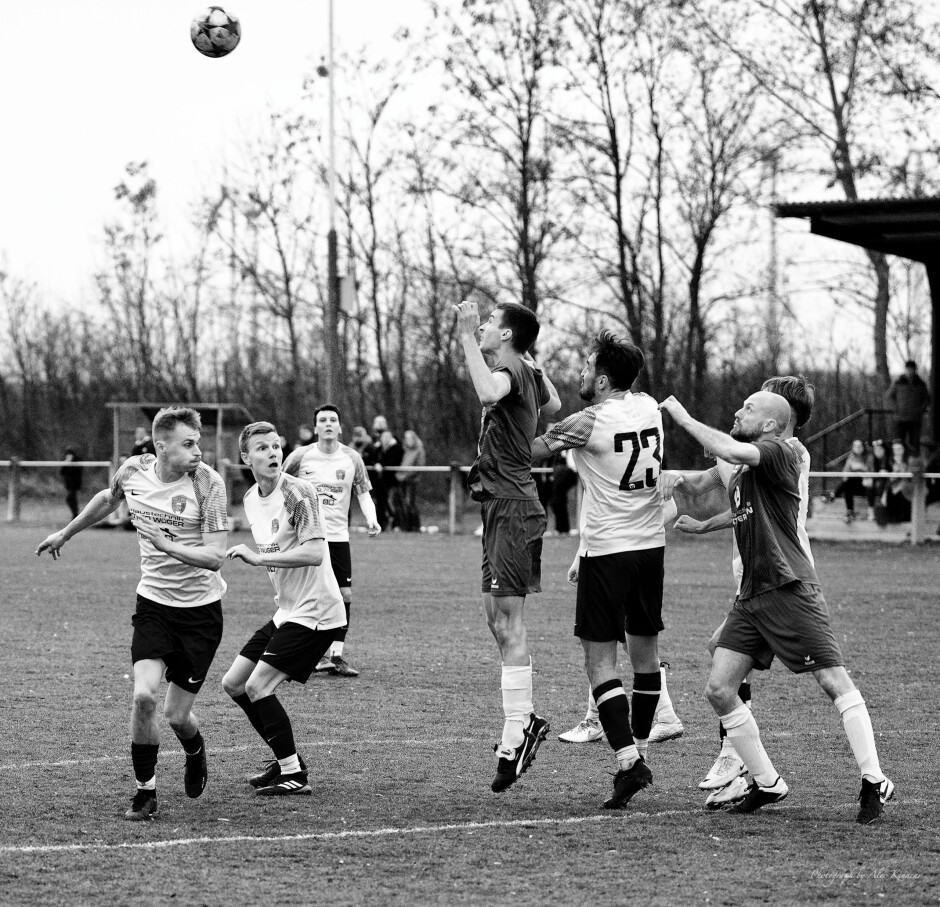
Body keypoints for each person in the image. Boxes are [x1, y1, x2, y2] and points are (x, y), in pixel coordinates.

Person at [659, 390, 894, 824]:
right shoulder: (753, 466)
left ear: (770, 424)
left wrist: (681, 416)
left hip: (789, 587)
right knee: (719, 688)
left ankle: (873, 777)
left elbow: (728, 450)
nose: (737, 410)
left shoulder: (781, 451)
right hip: (752, 594)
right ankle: (767, 782)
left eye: (748, 408)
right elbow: (740, 507)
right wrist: (700, 520)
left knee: (831, 679)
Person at [37, 406, 229, 821]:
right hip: (153, 606)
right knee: (144, 697)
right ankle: (145, 792)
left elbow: (215, 558)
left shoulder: (209, 484)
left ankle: (195, 751)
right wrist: (65, 532)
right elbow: (109, 499)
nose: (199, 452)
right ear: (161, 446)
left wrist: (167, 545)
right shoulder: (133, 470)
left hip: (200, 614)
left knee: (176, 716)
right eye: (189, 444)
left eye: (199, 443)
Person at [661, 375, 816, 809]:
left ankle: (738, 760)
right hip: (750, 571)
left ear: (778, 420)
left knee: (729, 659)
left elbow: (744, 488)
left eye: (758, 406)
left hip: (781, 574)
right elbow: (724, 493)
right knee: (725, 661)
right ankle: (743, 764)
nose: (747, 411)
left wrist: (691, 426)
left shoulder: (791, 453)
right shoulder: (753, 458)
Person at [532, 330, 670, 809]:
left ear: (605, 379)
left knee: (599, 663)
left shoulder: (590, 420)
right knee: (646, 657)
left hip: (608, 551)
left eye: (588, 368)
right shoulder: (649, 406)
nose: (583, 375)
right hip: (651, 547)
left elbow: (532, 451)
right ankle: (640, 750)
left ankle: (630, 763)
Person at [453, 298, 561, 793]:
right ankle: (522, 723)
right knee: (495, 620)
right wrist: (534, 372)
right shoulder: (526, 367)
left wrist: (465, 334)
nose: (483, 329)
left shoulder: (510, 367)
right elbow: (554, 405)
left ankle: (517, 731)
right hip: (499, 505)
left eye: (491, 324)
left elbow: (486, 391)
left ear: (507, 335)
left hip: (514, 506)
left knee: (508, 622)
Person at [221, 422, 346, 795]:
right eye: (262, 448)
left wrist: (259, 560)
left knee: (259, 686)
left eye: (276, 446)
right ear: (246, 457)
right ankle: (284, 760)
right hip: (288, 610)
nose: (273, 453)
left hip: (318, 612)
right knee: (234, 684)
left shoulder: (298, 492)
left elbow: (314, 551)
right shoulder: (248, 499)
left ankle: (294, 774)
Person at [283, 404, 381, 677]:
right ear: (315, 427)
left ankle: (335, 655)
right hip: (305, 537)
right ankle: (299, 654)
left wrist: (371, 518)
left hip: (338, 537)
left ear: (340, 427)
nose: (328, 424)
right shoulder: (300, 457)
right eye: (323, 420)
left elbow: (363, 494)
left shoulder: (352, 459)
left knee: (344, 595)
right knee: (305, 596)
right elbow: (281, 488)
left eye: (333, 420)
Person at [888, 360, 930, 457]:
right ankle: (898, 464)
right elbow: (889, 396)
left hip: (915, 419)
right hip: (900, 418)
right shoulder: (898, 382)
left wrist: (920, 410)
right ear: (905, 369)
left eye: (912, 369)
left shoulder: (920, 384)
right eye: (908, 369)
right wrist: (896, 409)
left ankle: (914, 464)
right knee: (899, 443)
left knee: (914, 443)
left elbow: (927, 399)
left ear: (915, 370)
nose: (910, 371)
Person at [833, 439, 875, 522]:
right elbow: (844, 473)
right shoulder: (851, 457)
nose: (857, 448)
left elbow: (872, 472)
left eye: (859, 446)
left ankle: (834, 494)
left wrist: (862, 468)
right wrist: (851, 471)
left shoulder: (869, 457)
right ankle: (850, 511)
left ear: (863, 447)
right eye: (855, 446)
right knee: (848, 483)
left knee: (849, 483)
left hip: (865, 486)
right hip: (853, 485)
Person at [396, 429, 426, 532]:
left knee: (410, 503)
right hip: (402, 479)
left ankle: (415, 526)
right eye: (406, 438)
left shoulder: (419, 450)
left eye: (410, 437)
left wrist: (406, 476)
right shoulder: (404, 449)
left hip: (412, 480)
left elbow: (419, 466)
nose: (408, 440)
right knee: (403, 503)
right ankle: (406, 526)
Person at [881, 439, 912, 523]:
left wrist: (901, 468)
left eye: (899, 449)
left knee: (901, 490)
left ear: (904, 449)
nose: (897, 451)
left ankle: (904, 517)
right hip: (893, 485)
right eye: (895, 449)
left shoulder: (909, 460)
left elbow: (910, 476)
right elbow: (887, 476)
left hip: (907, 485)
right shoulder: (889, 461)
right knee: (891, 491)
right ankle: (892, 516)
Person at [61, 447, 83, 518]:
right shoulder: (66, 462)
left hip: (74, 485)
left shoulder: (77, 461)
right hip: (69, 485)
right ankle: (75, 514)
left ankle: (75, 514)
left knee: (70, 498)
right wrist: (66, 463)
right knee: (72, 499)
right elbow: (62, 472)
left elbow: (78, 472)